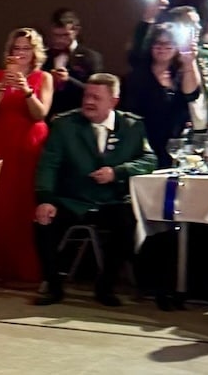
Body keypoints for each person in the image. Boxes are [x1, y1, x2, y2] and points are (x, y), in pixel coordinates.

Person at [33, 73, 157, 306]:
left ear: (114, 101)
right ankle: (53, 286)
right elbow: (48, 164)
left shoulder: (132, 125)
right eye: (87, 95)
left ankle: (105, 286)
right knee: (43, 222)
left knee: (127, 223)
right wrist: (45, 198)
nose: (89, 101)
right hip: (72, 199)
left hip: (112, 200)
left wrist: (117, 172)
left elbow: (150, 160)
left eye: (96, 97)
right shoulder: (64, 124)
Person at [0, 28, 53, 284]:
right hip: (2, 144)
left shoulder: (44, 78)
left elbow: (40, 114)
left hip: (29, 146)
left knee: (25, 204)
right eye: (16, 49)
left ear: (34, 53)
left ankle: (27, 268)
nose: (20, 54)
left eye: (25, 49)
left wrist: (26, 90)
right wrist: (1, 87)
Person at [121, 23, 202, 168]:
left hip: (175, 144)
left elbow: (191, 95)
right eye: (158, 43)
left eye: (168, 43)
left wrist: (189, 62)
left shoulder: (180, 72)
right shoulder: (137, 76)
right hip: (144, 144)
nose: (162, 47)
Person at [43, 12, 103, 118]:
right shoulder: (43, 57)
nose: (60, 40)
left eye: (65, 35)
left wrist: (69, 80)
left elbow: (97, 91)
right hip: (48, 116)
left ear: (76, 31)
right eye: (56, 35)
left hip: (78, 116)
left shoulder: (90, 57)